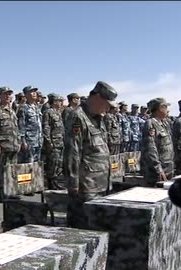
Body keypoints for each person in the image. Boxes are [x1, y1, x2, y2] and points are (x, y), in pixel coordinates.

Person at [64, 81, 117, 229]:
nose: (108, 108)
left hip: (101, 184)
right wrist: (73, 184)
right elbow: (72, 152)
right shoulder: (78, 117)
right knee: (83, 229)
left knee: (100, 228)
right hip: (86, 187)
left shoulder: (99, 118)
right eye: (107, 103)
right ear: (97, 98)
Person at [0, 86, 21, 201]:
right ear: (0, 96)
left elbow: (16, 129)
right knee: (1, 170)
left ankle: (10, 191)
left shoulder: (12, 111)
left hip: (13, 145)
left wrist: (19, 142)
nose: (8, 96)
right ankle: (1, 193)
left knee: (12, 170)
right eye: (5, 94)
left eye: (9, 94)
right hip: (3, 146)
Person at [141, 98, 174, 187]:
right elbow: (151, 148)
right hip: (157, 172)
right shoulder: (150, 123)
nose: (168, 110)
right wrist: (158, 169)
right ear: (160, 108)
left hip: (168, 168)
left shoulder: (165, 123)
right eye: (166, 107)